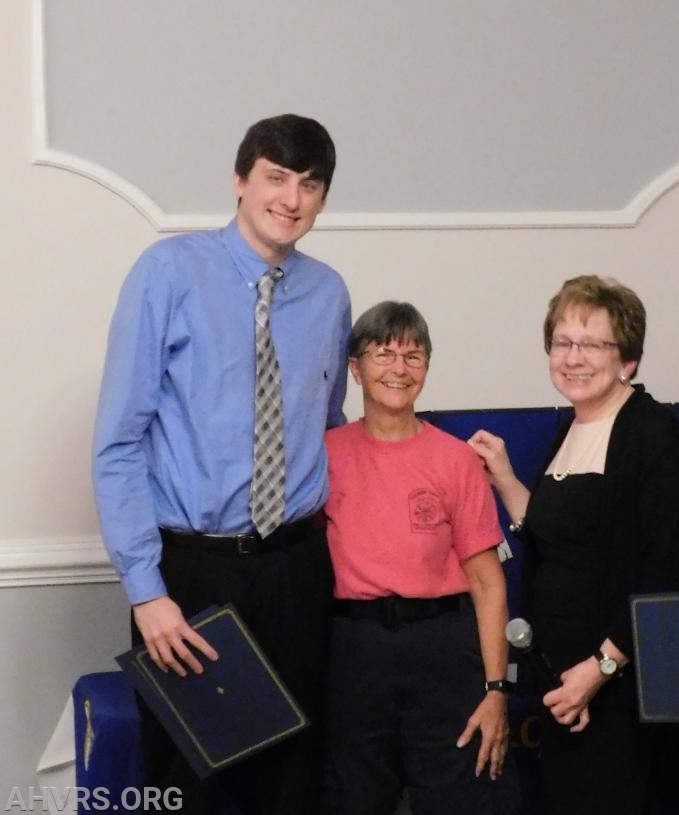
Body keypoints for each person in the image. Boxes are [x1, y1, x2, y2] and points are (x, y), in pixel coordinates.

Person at [92, 114, 350, 813]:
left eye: (310, 184)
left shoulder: (329, 295)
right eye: (275, 177)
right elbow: (119, 443)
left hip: (298, 567)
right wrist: (147, 593)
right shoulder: (168, 272)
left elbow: (328, 430)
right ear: (240, 180)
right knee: (188, 782)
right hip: (193, 572)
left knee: (294, 781)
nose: (291, 199)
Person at [468, 276, 679, 815]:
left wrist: (601, 667)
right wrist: (504, 477)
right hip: (567, 688)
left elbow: (668, 574)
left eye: (592, 344)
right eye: (562, 342)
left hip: (621, 696)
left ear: (629, 360)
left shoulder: (655, 436)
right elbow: (561, 535)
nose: (573, 358)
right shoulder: (573, 428)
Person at [323, 301, 516, 815]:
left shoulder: (455, 458)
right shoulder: (322, 455)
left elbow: (488, 583)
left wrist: (496, 688)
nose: (399, 369)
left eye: (414, 356)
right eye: (383, 354)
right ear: (355, 368)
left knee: (461, 793)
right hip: (354, 650)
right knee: (353, 797)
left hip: (444, 652)